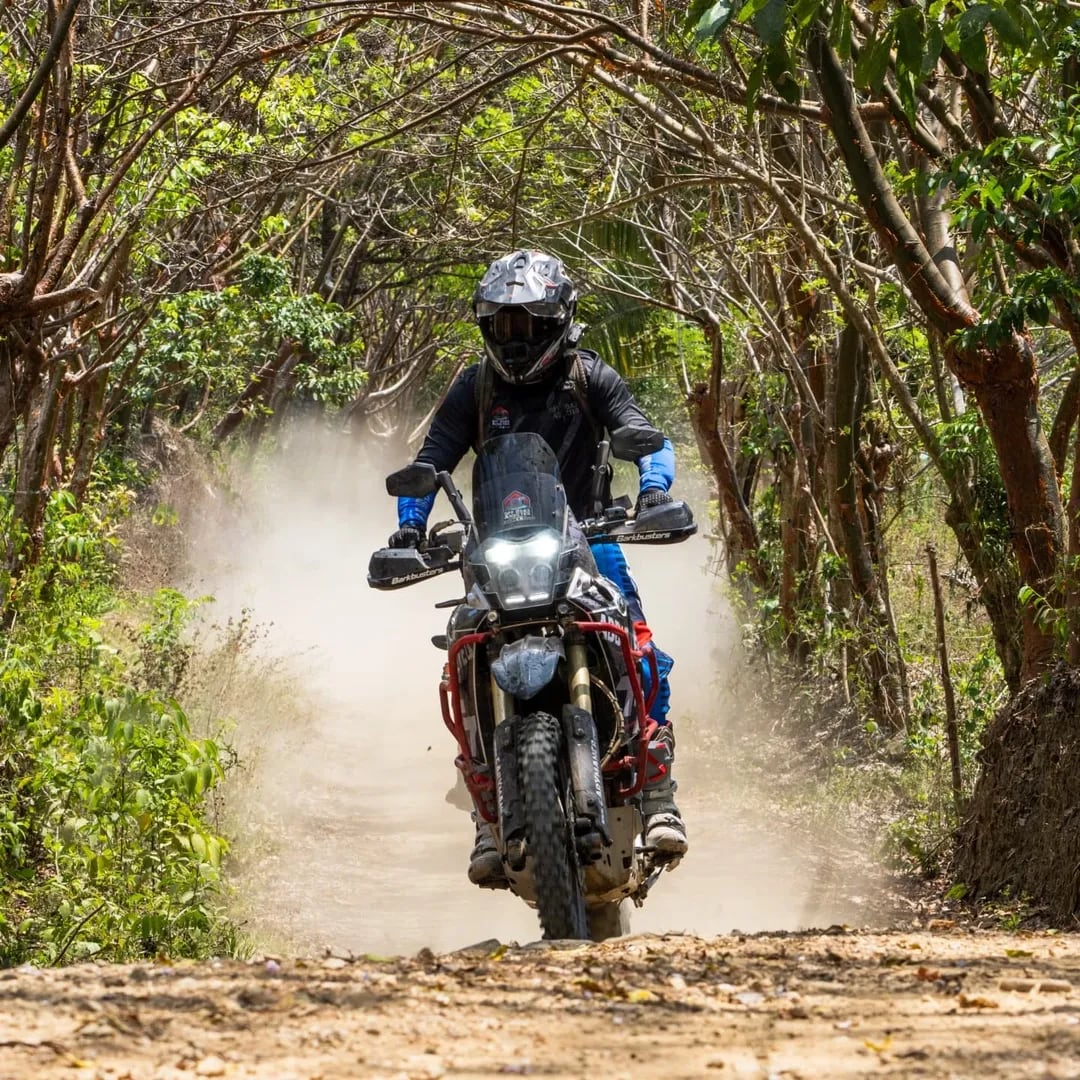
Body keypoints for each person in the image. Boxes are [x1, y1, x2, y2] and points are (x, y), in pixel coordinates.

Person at [387, 249, 688, 886]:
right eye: (502, 326)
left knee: (638, 646)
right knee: (465, 655)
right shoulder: (475, 387)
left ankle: (659, 791)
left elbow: (649, 440)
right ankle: (484, 813)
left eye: (527, 324)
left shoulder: (592, 378)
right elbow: (430, 461)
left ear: (557, 321)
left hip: (586, 537)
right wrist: (410, 523)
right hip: (495, 549)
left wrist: (654, 493)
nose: (514, 338)